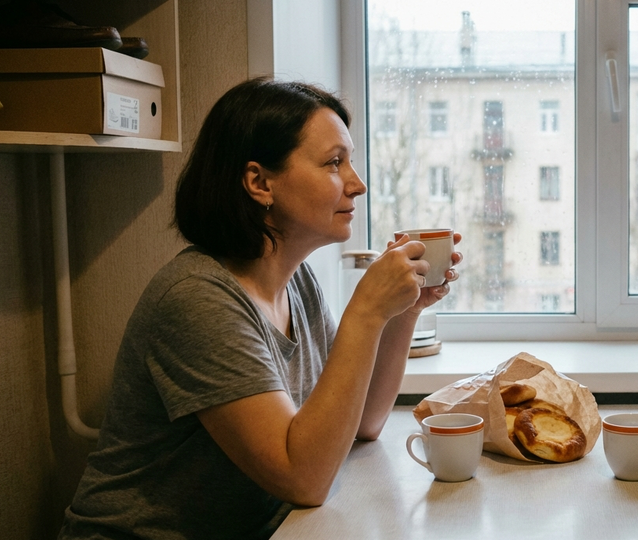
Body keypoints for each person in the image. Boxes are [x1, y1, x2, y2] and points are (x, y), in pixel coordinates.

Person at [59, 77, 462, 539]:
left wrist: (404, 310)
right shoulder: (197, 299)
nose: (358, 184)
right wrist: (365, 312)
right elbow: (303, 478)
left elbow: (364, 422)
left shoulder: (297, 280)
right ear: (259, 182)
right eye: (335, 163)